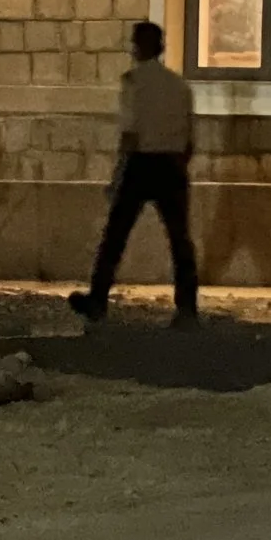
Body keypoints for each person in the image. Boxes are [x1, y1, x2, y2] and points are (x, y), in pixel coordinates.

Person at [69, 21, 199, 326]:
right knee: (180, 240)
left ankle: (98, 300)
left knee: (115, 236)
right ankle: (188, 308)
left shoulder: (133, 83)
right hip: (172, 165)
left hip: (141, 164)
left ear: (137, 48)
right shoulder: (180, 87)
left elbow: (129, 134)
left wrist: (117, 176)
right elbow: (190, 137)